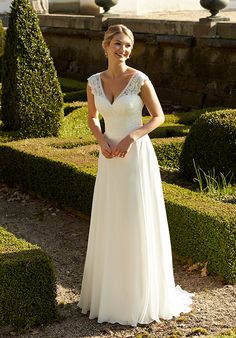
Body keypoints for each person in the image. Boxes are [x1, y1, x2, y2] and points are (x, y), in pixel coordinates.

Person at [78, 24, 193, 327]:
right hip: (108, 160)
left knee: (135, 218)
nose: (123, 49)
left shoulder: (140, 79)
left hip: (136, 158)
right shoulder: (93, 82)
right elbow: (91, 117)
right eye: (118, 44)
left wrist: (133, 137)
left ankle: (139, 295)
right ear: (106, 46)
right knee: (111, 219)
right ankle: (110, 295)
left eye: (128, 45)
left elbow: (158, 117)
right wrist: (100, 138)